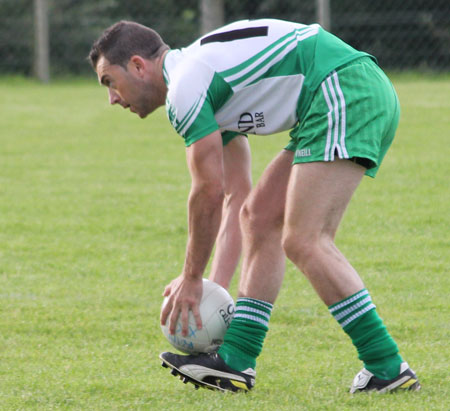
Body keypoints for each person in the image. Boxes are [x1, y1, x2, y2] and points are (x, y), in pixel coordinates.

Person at [89, 19, 420, 394]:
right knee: (259, 217)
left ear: (137, 65)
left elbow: (208, 192)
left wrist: (192, 279)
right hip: (335, 93)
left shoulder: (185, 88)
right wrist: (213, 288)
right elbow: (235, 197)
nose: (112, 98)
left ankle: (387, 366)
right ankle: (236, 361)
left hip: (343, 89)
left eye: (109, 82)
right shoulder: (194, 77)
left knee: (305, 240)